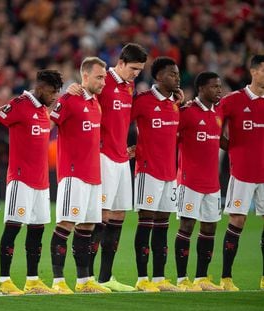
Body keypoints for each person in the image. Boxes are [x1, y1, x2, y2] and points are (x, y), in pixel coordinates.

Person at [67, 43, 147, 292]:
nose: (136, 73)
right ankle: (87, 279)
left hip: (122, 159)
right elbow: (83, 100)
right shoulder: (103, 81)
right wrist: (72, 89)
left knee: (118, 216)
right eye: (133, 68)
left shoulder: (129, 86)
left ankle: (105, 277)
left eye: (140, 70)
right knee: (98, 217)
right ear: (121, 63)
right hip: (102, 157)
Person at [0, 69, 63, 295]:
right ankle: (4, 280)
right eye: (53, 91)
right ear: (41, 88)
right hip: (20, 179)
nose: (55, 96)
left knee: (37, 231)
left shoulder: (42, 110)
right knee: (13, 228)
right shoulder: (21, 104)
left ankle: (32, 280)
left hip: (42, 182)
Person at [49, 56, 111, 294]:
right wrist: (62, 96)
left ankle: (84, 281)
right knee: (65, 225)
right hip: (73, 175)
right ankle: (57, 282)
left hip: (94, 176)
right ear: (84, 76)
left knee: (86, 228)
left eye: (104, 77)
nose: (103, 82)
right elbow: (48, 123)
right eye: (99, 77)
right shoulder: (70, 99)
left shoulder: (96, 103)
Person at [132, 57, 181, 292]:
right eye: (172, 74)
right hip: (148, 171)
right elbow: (119, 122)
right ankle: (143, 279)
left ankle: (160, 279)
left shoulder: (176, 103)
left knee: (163, 225)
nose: (178, 78)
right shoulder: (142, 101)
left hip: (169, 174)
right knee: (146, 224)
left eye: (178, 74)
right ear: (159, 77)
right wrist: (127, 147)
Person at [174, 72, 224, 291]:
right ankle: (182, 279)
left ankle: (202, 278)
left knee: (210, 228)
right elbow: (168, 137)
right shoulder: (186, 113)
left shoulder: (218, 113)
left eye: (220, 87)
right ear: (202, 88)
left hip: (212, 183)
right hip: (189, 182)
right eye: (214, 87)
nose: (219, 90)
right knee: (187, 226)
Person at [219, 55, 264, 291]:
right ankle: (226, 278)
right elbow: (212, 123)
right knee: (238, 220)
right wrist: (229, 146)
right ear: (254, 71)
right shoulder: (232, 101)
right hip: (243, 173)